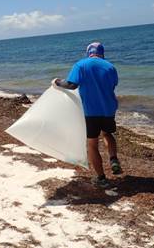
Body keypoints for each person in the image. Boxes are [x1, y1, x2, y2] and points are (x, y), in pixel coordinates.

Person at [52, 41, 122, 188]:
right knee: (108, 134)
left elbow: (72, 85)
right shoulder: (110, 67)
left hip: (91, 111)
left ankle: (101, 178)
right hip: (109, 109)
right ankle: (113, 159)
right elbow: (113, 85)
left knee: (92, 144)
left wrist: (58, 82)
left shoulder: (81, 65)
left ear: (88, 52)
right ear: (102, 53)